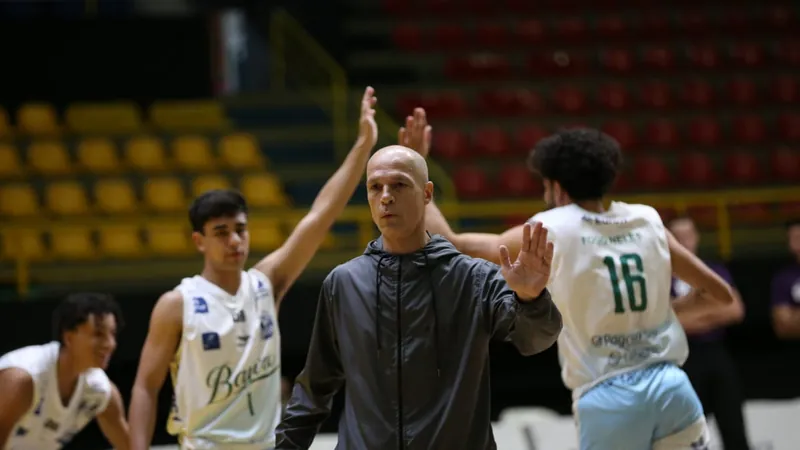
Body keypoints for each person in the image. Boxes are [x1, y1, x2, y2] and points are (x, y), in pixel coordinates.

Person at [403, 109, 737, 450]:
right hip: (672, 388)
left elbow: (453, 244)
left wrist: (416, 165)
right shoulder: (646, 220)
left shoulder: (553, 227)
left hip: (608, 396)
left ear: (557, 188)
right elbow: (720, 294)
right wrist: (660, 313)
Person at [128, 86, 380, 450]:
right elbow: (144, 386)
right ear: (199, 241)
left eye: (240, 230)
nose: (234, 241)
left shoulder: (266, 283)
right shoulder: (178, 303)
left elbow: (319, 216)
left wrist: (362, 146)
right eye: (221, 232)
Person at [276, 145, 562, 449]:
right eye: (375, 187)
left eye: (399, 184)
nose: (385, 196)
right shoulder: (343, 283)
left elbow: (535, 340)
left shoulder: (474, 278)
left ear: (427, 193)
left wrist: (531, 298)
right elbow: (315, 387)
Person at [0, 293, 129, 450]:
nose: (110, 344)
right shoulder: (22, 379)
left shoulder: (100, 391)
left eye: (113, 334)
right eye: (98, 334)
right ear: (69, 337)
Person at [669, 216, 750, 450]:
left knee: (733, 425)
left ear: (696, 237)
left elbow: (735, 310)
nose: (684, 242)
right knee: (688, 432)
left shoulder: (713, 270)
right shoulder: (660, 274)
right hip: (681, 359)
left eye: (688, 235)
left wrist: (684, 312)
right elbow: (665, 323)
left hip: (716, 354)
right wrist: (709, 310)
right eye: (678, 237)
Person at [771, 219, 800, 339]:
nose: (794, 245)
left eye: (798, 238)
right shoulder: (783, 278)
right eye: (791, 239)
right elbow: (782, 327)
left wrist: (794, 315)